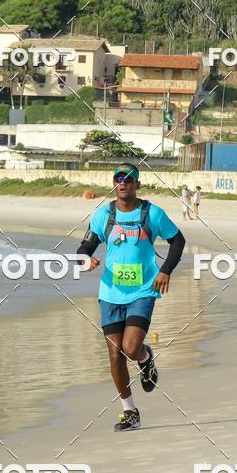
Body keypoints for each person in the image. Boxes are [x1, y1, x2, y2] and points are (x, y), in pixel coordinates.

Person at [77, 163, 185, 431]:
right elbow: (84, 247)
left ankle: (146, 358)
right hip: (110, 293)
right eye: (118, 178)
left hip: (143, 291)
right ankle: (130, 411)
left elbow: (178, 241)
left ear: (137, 184)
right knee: (115, 354)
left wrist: (165, 271)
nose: (122, 182)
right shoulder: (104, 215)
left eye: (128, 179)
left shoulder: (152, 213)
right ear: (114, 183)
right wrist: (85, 260)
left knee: (131, 348)